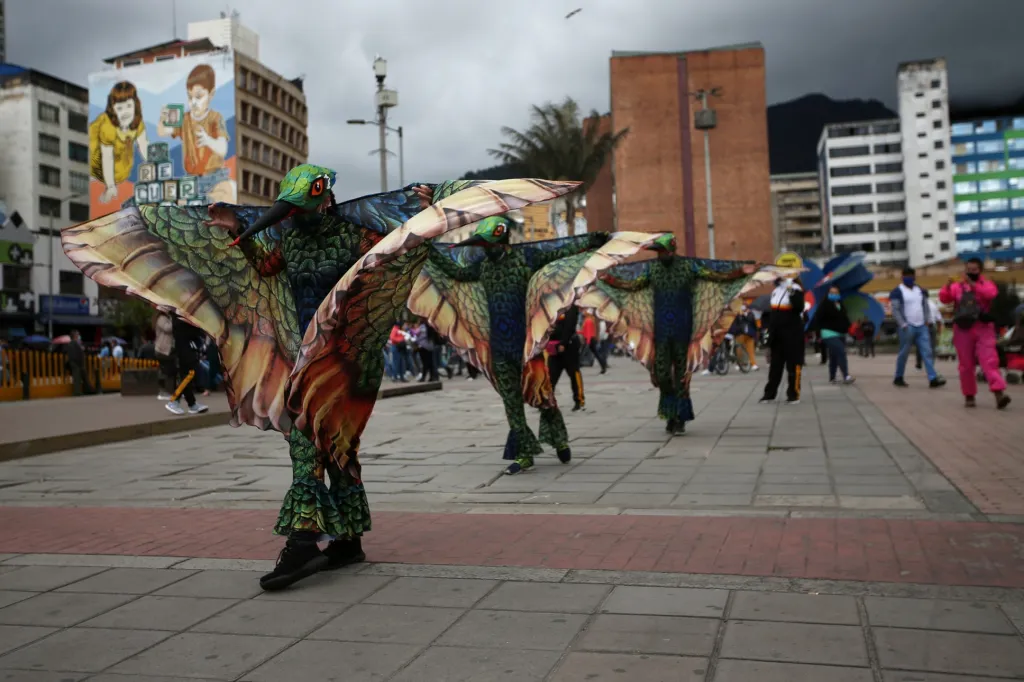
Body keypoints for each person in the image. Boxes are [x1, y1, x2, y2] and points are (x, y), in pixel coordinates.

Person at [938, 258, 1011, 409]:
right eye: (969, 270)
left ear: (980, 271)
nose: (971, 272)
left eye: (974, 270)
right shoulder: (958, 286)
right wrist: (947, 286)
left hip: (983, 327)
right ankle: (969, 395)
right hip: (963, 328)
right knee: (966, 364)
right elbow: (944, 299)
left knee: (989, 360)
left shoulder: (987, 284)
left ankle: (999, 393)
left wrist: (973, 285)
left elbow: (990, 294)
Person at [891, 267, 946, 389]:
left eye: (911, 276)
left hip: (921, 326)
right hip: (907, 327)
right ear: (902, 277)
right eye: (906, 276)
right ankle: (898, 377)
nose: (909, 278)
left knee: (927, 352)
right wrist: (903, 324)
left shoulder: (920, 290)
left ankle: (932, 378)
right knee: (904, 353)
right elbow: (895, 310)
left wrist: (927, 320)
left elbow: (925, 306)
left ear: (914, 277)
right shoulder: (897, 291)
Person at [760, 276, 806, 404]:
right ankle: (769, 394)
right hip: (777, 334)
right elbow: (772, 314)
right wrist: (769, 332)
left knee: (793, 365)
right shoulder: (776, 290)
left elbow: (799, 307)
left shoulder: (796, 289)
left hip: (792, 333)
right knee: (775, 366)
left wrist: (790, 288)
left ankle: (793, 394)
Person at [165, 314, 208, 415]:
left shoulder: (182, 314)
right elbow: (189, 329)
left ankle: (192, 404)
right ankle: (174, 400)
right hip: (185, 349)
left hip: (186, 347)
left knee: (186, 375)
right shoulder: (181, 315)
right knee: (189, 374)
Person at [547, 306, 585, 411]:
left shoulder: (570, 307)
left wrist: (563, 342)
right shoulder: (552, 305)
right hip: (554, 347)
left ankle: (579, 400)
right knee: (550, 375)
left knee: (574, 373)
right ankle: (548, 401)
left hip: (569, 346)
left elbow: (570, 325)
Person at [816, 286, 855, 384]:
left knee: (834, 355)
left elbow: (845, 318)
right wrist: (818, 334)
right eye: (831, 293)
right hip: (828, 333)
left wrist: (849, 327)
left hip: (841, 333)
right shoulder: (824, 304)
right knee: (841, 351)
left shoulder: (840, 304)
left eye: (836, 293)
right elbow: (817, 319)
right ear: (828, 294)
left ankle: (832, 377)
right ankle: (846, 376)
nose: (834, 295)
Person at [728, 304, 759, 371]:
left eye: (744, 307)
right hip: (740, 334)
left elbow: (752, 322)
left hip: (749, 334)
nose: (743, 308)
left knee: (750, 350)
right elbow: (735, 324)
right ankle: (739, 364)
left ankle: (753, 364)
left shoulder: (750, 314)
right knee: (739, 350)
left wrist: (745, 315)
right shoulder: (738, 315)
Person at [917, 295, 943, 371]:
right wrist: (939, 331)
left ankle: (919, 362)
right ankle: (931, 364)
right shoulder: (933, 304)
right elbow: (939, 319)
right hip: (932, 327)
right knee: (932, 346)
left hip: (921, 326)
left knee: (920, 345)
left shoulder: (918, 304)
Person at [66, 329, 87, 396]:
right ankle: (77, 392)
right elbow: (74, 355)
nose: (79, 336)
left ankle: (81, 391)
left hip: (78, 363)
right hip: (75, 363)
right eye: (77, 334)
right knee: (77, 378)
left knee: (79, 377)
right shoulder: (72, 343)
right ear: (75, 335)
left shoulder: (76, 343)